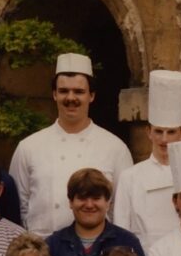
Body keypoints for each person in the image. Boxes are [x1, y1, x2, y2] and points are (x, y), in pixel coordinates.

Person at [9, 54, 131, 236]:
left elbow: (122, 212)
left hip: (98, 255)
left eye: (79, 92)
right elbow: (19, 208)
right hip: (41, 254)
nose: (70, 97)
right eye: (64, 91)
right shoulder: (28, 147)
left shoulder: (115, 148)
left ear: (92, 96)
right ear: (54, 94)